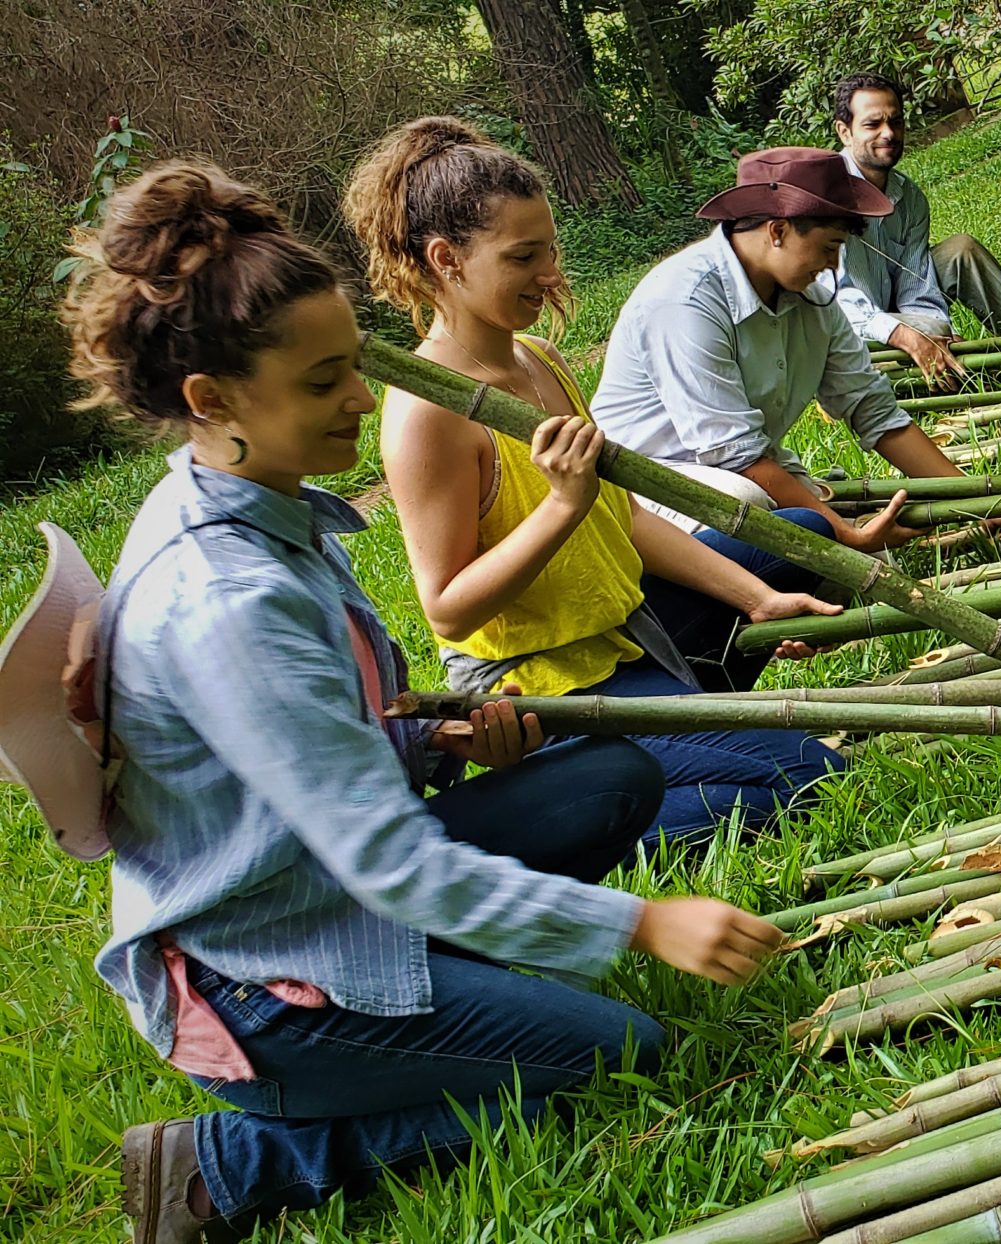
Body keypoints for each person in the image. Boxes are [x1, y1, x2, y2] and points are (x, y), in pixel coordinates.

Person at [55, 160, 783, 1244]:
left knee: (616, 776)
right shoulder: (226, 599)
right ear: (212, 402)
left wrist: (433, 740)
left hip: (320, 894)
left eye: (353, 366)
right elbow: (391, 859)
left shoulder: (258, 504)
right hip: (267, 979)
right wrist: (640, 920)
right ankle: (224, 1159)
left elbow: (330, 746)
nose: (361, 399)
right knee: (625, 1050)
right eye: (323, 382)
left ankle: (461, 987)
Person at [345, 116, 848, 847]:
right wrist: (559, 507)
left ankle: (683, 721)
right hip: (546, 687)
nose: (550, 274)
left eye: (550, 247)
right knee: (806, 780)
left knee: (800, 537)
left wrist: (758, 598)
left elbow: (619, 518)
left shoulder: (539, 359)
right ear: (446, 259)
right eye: (524, 257)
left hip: (620, 633)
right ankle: (578, 810)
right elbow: (449, 610)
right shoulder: (427, 413)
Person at [587, 146, 1001, 549]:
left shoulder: (813, 297)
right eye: (830, 247)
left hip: (741, 469)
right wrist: (844, 534)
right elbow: (735, 455)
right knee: (753, 504)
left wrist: (982, 502)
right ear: (777, 230)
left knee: (823, 543)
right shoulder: (684, 300)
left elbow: (871, 408)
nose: (834, 265)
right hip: (641, 489)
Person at [831, 72, 1001, 393]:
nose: (888, 133)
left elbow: (916, 286)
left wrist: (933, 329)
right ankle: (957, 375)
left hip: (897, 315)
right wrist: (906, 335)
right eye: (872, 124)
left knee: (962, 249)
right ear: (845, 132)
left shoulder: (909, 197)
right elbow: (833, 306)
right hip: (845, 330)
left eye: (896, 121)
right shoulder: (824, 197)